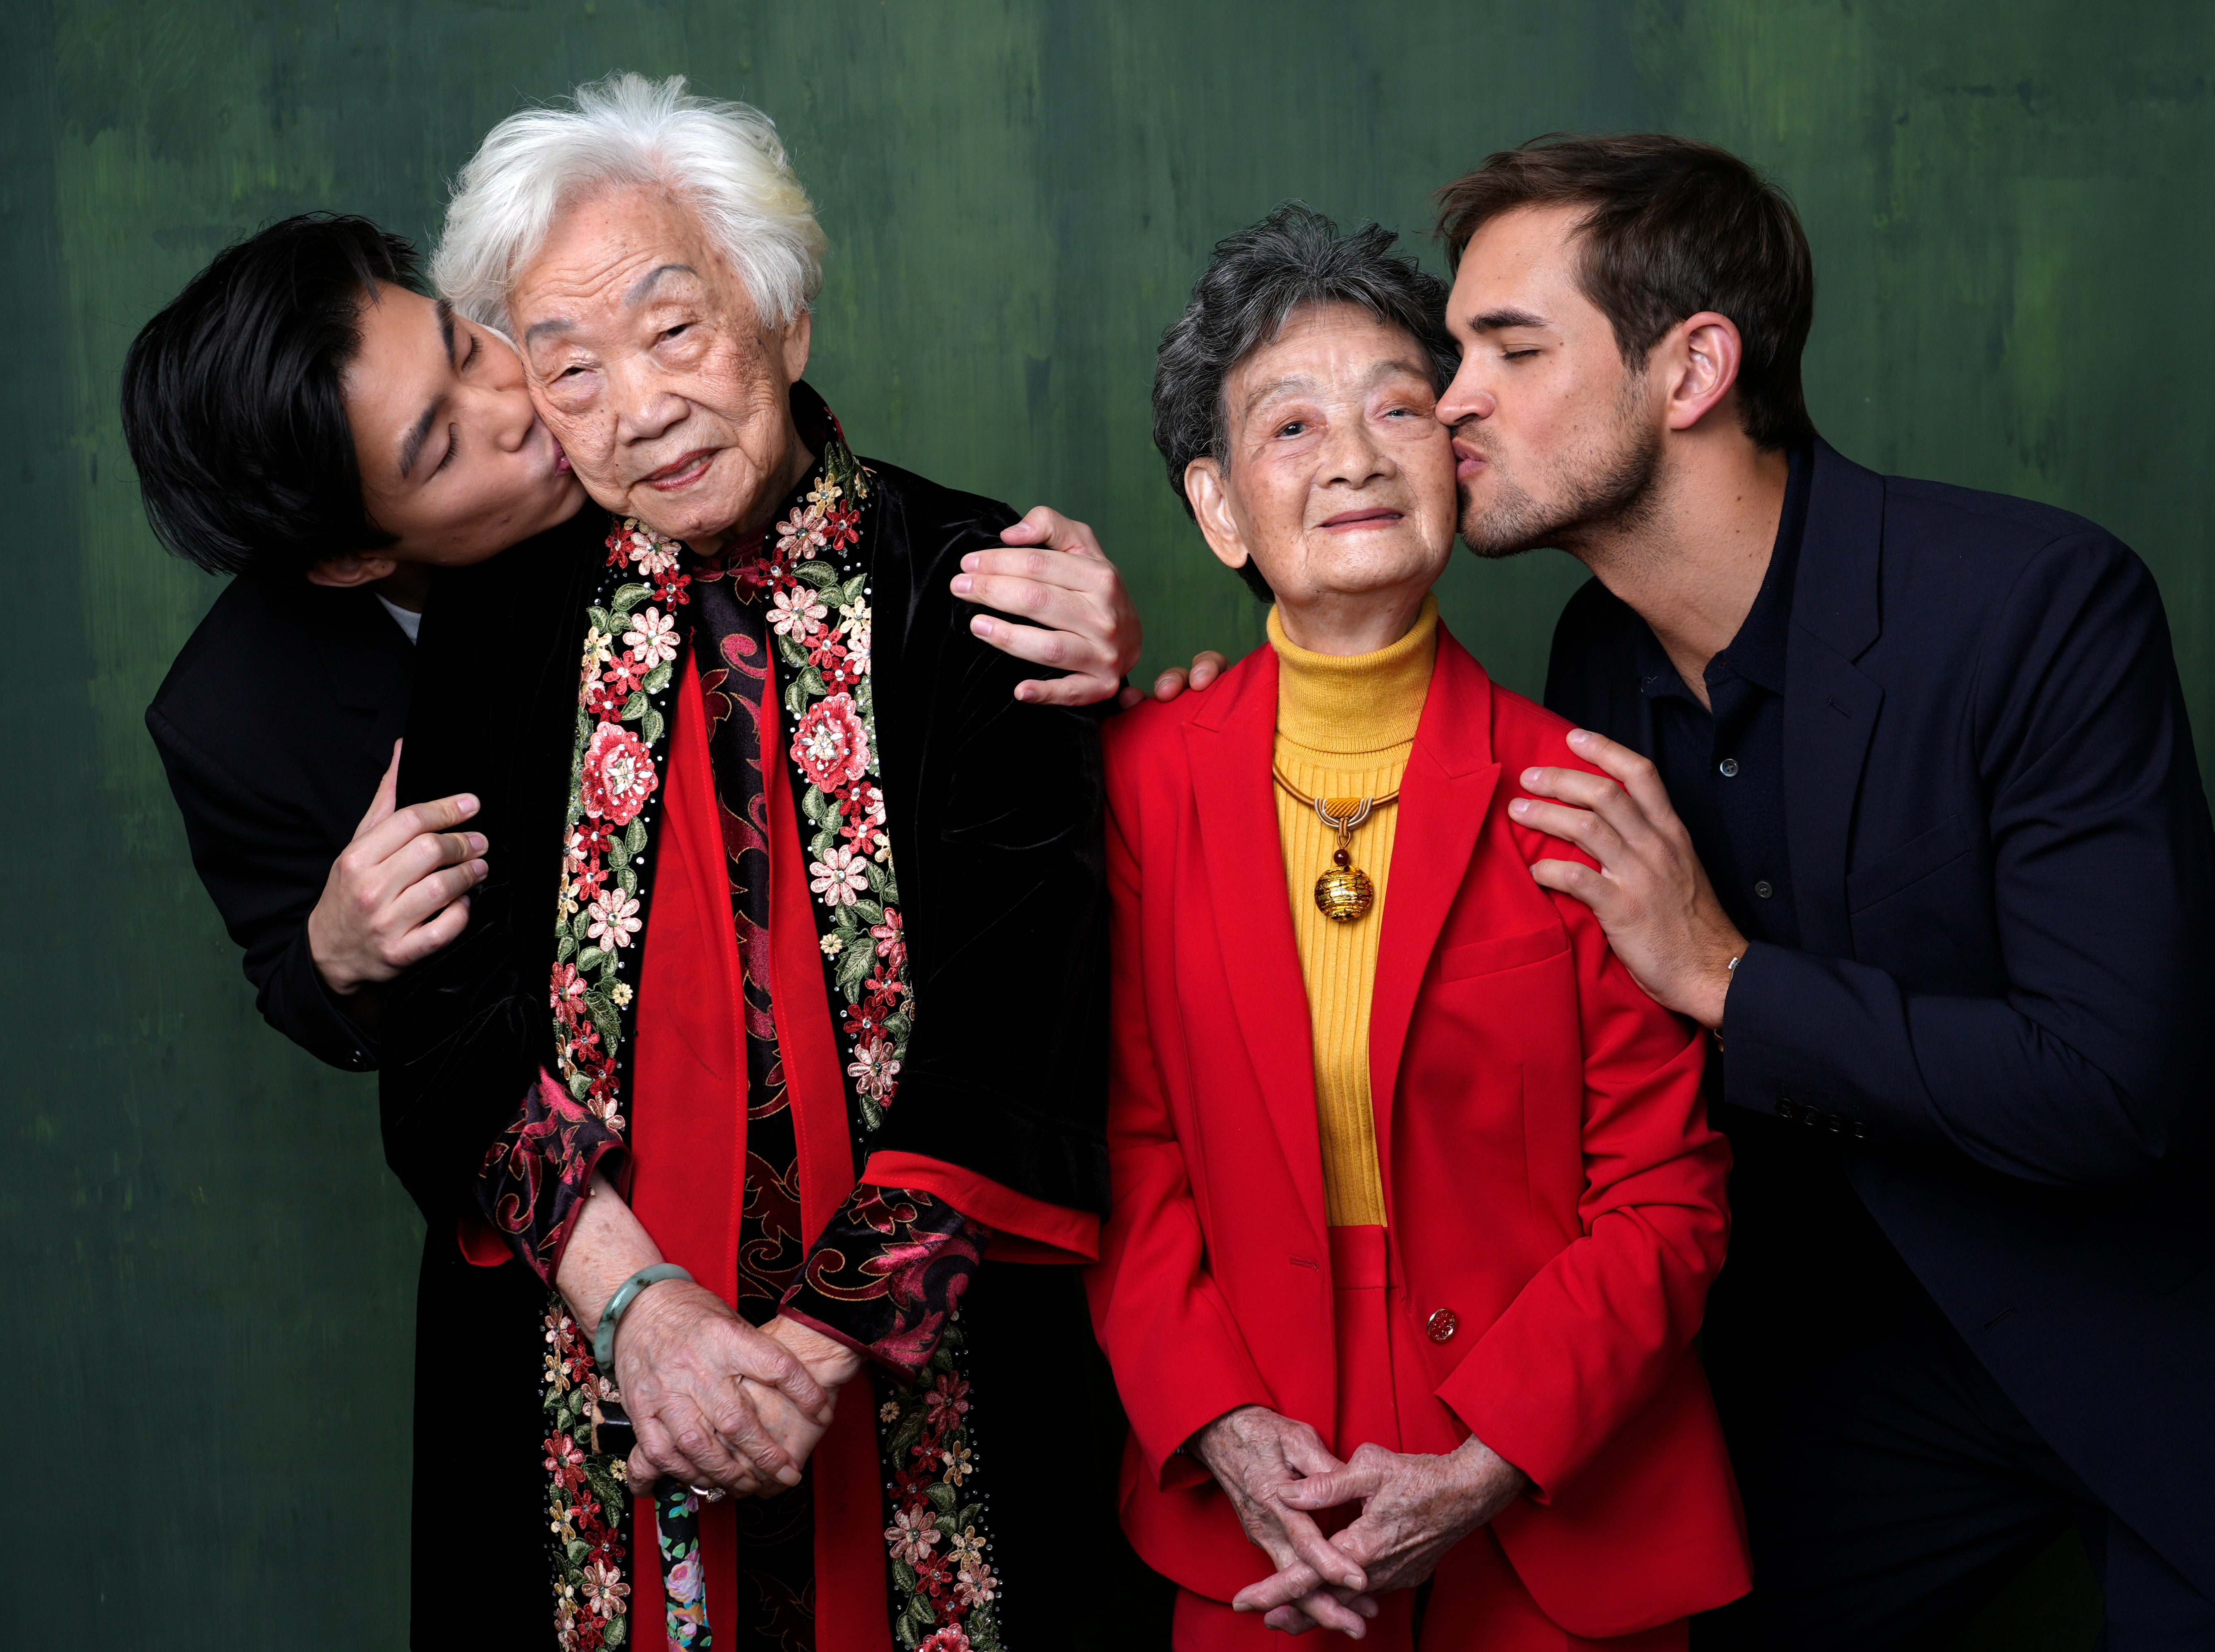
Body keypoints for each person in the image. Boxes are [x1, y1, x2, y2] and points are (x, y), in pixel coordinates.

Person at [1416, 135, 2215, 1648]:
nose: (1455, 399)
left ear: (1693, 368)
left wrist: (1725, 979)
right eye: (1455, 353)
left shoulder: (2041, 607)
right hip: (1910, 1346)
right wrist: (1212, 724)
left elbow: (2112, 1087)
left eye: (1508, 349)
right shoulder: (1598, 657)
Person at [120, 209, 1151, 1647]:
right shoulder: (266, 709)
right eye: (441, 443)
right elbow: (393, 1019)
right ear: (360, 559)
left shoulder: (881, 544)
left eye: (479, 346)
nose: (535, 403)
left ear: (779, 320)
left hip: (928, 1341)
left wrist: (1125, 677)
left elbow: (1023, 981)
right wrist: (339, 950)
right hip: (575, 1330)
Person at [384, 73, 1123, 1651]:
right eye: (566, 369)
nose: (637, 407)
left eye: (675, 328)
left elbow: (1026, 1009)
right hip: (579, 1365)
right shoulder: (493, 621)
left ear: (782, 318)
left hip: (930, 1383)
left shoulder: (983, 579)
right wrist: (638, 1314)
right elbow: (439, 1018)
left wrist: (816, 1353)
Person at [1089, 204, 1749, 1652]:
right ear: (1217, 508)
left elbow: (1667, 1199)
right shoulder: (1133, 786)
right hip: (1268, 1512)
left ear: (1453, 457)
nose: (1354, 456)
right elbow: (1128, 1160)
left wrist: (1486, 1460)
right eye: (1290, 427)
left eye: (1400, 405)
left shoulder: (1588, 798)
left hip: (1560, 1499)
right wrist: (1220, 1425)